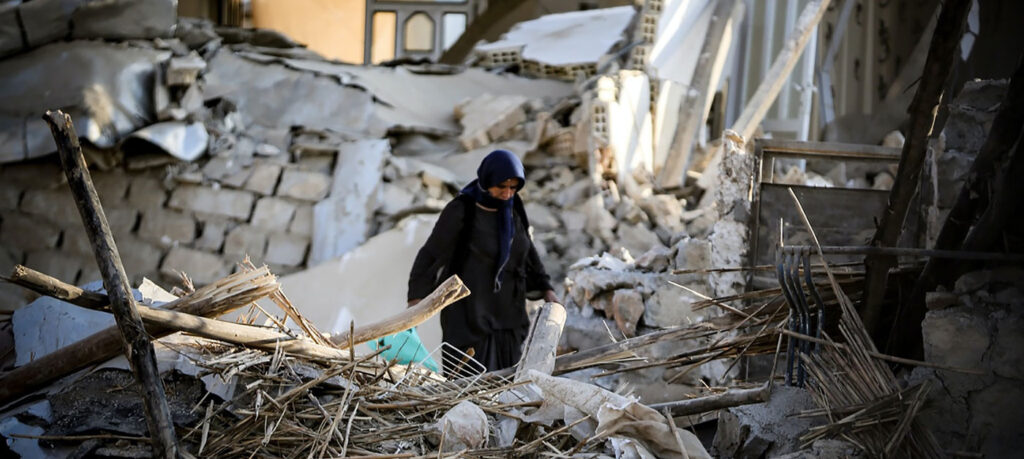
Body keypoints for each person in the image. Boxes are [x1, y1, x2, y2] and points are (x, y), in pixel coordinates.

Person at [407, 149, 559, 375]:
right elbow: (432, 253)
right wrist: (417, 300)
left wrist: (546, 287)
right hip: (469, 316)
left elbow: (526, 248)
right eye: (502, 187)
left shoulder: (513, 208)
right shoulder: (463, 209)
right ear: (488, 180)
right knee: (468, 385)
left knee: (509, 384)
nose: (508, 193)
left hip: (508, 314)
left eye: (513, 187)